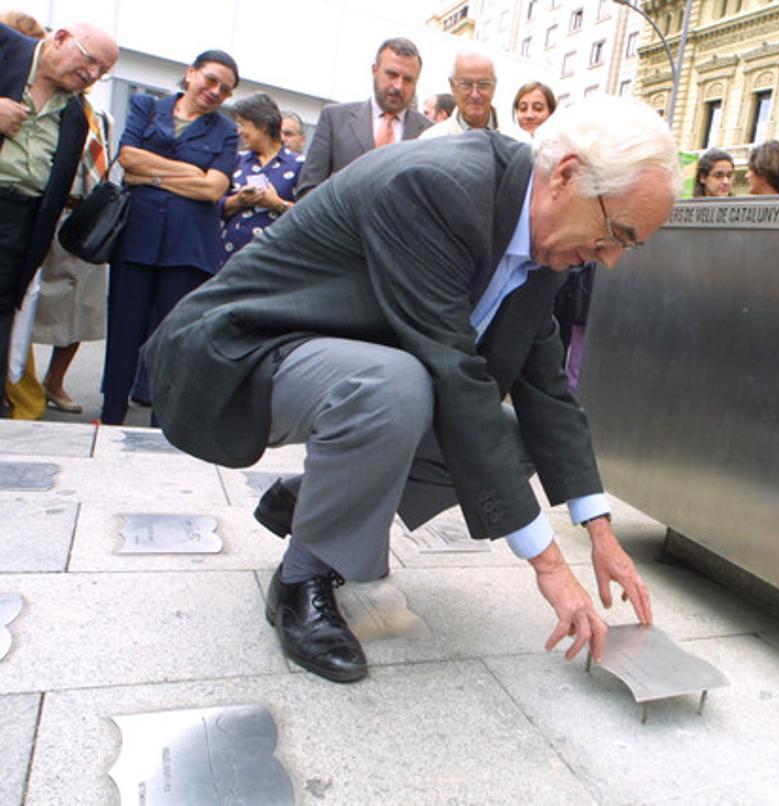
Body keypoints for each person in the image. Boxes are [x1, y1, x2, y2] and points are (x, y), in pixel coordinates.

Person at [145, 96, 678, 684]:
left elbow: (547, 389)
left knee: (510, 440)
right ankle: (300, 581)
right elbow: (454, 371)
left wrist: (601, 533)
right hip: (245, 346)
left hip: (338, 363)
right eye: (617, 234)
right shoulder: (441, 187)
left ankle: (313, 500)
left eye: (628, 246)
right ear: (568, 175)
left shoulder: (545, 243)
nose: (609, 261)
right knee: (397, 386)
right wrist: (549, 566)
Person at [99, 50, 240, 426]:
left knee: (173, 341)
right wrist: (191, 171)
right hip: (137, 240)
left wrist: (153, 175)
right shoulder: (146, 107)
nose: (214, 91)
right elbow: (128, 159)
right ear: (190, 73)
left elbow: (213, 190)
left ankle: (163, 425)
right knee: (123, 333)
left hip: (188, 248)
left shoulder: (226, 131)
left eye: (224, 90)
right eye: (210, 80)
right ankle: (111, 415)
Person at [1, 21, 118, 417]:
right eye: (91, 62)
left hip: (20, 222)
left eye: (103, 72)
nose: (93, 75)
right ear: (61, 38)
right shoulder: (5, 47)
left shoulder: (76, 113)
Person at [296, 38, 431, 197]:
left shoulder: (430, 134)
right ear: (374, 70)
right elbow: (308, 189)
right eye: (391, 75)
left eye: (408, 79)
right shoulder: (335, 119)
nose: (398, 86)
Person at [219, 93, 301, 268]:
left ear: (262, 125)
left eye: (243, 124)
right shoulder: (237, 160)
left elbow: (309, 215)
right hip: (227, 260)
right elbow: (215, 204)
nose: (238, 131)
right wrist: (238, 200)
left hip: (272, 266)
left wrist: (276, 203)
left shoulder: (299, 165)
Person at [420, 50, 500, 139]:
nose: (475, 94)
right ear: (452, 86)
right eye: (466, 84)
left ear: (494, 87)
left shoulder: (515, 140)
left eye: (483, 85)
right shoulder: (431, 140)